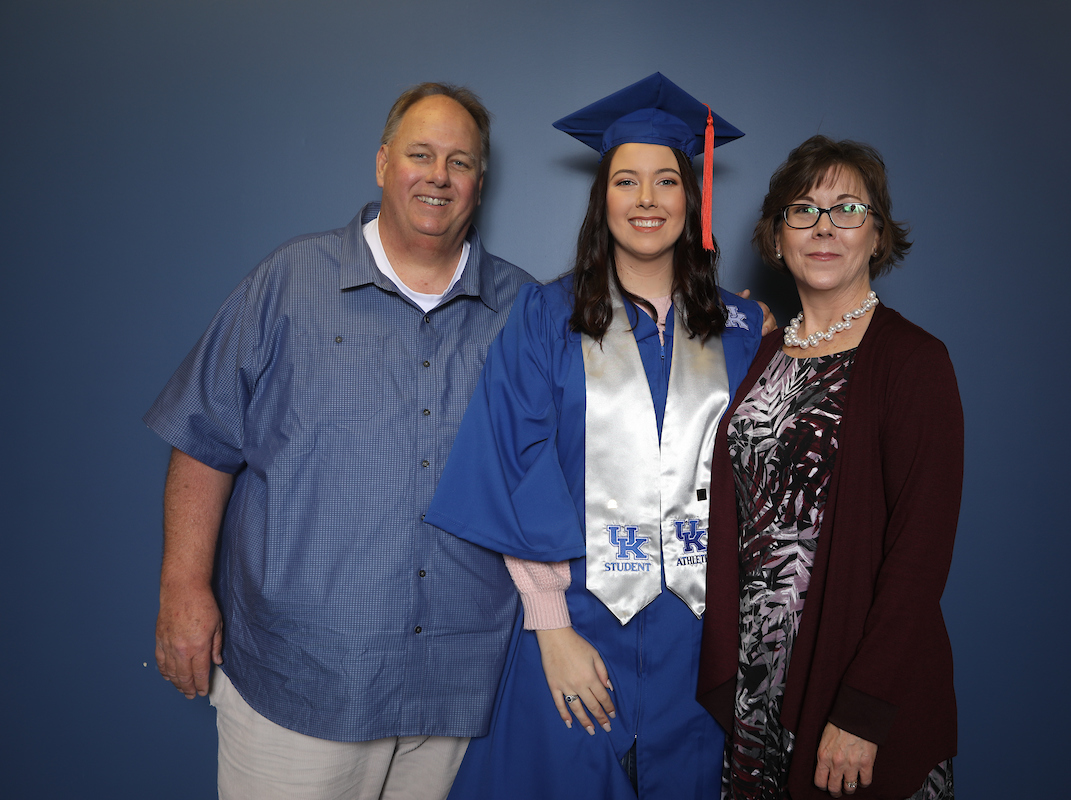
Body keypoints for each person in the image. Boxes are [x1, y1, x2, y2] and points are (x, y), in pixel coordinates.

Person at [143, 82, 535, 800]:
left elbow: (610, 398)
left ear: (480, 182)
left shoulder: (524, 310)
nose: (438, 176)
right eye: (420, 154)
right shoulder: (288, 283)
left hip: (458, 689)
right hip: (304, 682)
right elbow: (202, 438)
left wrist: (726, 323)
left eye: (460, 161)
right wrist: (182, 589)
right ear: (383, 162)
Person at [423, 74, 763, 800]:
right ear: (601, 199)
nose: (647, 201)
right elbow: (516, 461)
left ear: (690, 200)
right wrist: (551, 629)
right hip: (580, 626)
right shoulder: (548, 317)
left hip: (705, 640)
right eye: (627, 182)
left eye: (666, 181)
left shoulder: (744, 330)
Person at [698, 135, 963, 800]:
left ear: (876, 236)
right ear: (777, 235)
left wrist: (863, 709)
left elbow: (920, 554)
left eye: (847, 209)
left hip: (856, 682)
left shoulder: (913, 362)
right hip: (760, 690)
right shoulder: (759, 356)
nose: (823, 229)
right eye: (803, 211)